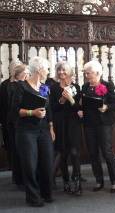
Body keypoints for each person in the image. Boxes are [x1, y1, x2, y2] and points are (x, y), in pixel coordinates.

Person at [12, 56, 55, 207]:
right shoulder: (21, 87)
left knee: (47, 162)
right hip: (26, 131)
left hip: (43, 130)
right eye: (47, 69)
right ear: (39, 70)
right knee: (30, 164)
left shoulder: (45, 87)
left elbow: (48, 110)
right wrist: (32, 113)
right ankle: (33, 197)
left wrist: (51, 127)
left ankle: (46, 193)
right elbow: (14, 111)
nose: (49, 71)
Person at [79, 60, 115, 193]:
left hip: (104, 123)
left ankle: (114, 181)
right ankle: (99, 180)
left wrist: (106, 107)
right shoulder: (84, 87)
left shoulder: (107, 85)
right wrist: (80, 110)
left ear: (97, 73)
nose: (86, 75)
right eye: (85, 73)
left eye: (88, 73)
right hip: (89, 124)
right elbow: (81, 104)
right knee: (93, 153)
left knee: (107, 152)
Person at [50, 61, 82, 195]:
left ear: (69, 72)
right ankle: (66, 181)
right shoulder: (53, 88)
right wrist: (61, 101)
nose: (61, 72)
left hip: (73, 123)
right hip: (60, 123)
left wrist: (70, 99)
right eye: (59, 70)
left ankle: (77, 181)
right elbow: (52, 108)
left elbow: (78, 109)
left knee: (74, 153)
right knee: (62, 154)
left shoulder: (76, 87)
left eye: (63, 70)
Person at [6, 64, 30, 187]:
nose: (28, 74)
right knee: (17, 151)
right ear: (19, 73)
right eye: (26, 71)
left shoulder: (23, 85)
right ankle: (19, 180)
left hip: (22, 121)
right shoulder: (13, 86)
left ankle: (23, 178)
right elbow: (12, 107)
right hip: (15, 122)